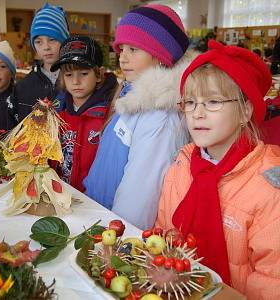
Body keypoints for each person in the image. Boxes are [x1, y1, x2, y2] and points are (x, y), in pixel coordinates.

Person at [156, 40, 280, 299]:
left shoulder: (269, 187)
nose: (197, 113)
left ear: (246, 110)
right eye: (190, 102)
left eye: (213, 102)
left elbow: (271, 281)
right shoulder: (181, 164)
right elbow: (165, 232)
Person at [84, 4, 193, 229]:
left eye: (133, 50)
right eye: (121, 49)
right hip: (100, 214)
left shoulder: (160, 115)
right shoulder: (134, 99)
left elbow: (141, 194)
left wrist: (119, 240)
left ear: (161, 56)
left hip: (117, 229)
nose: (122, 59)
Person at [50, 36, 118, 191]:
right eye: (68, 75)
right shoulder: (55, 111)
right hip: (59, 195)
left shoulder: (111, 114)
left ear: (99, 74)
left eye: (84, 73)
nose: (76, 81)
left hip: (93, 202)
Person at [12, 3, 70, 122]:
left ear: (64, 40)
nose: (46, 47)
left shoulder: (76, 79)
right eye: (39, 42)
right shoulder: (23, 86)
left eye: (52, 39)